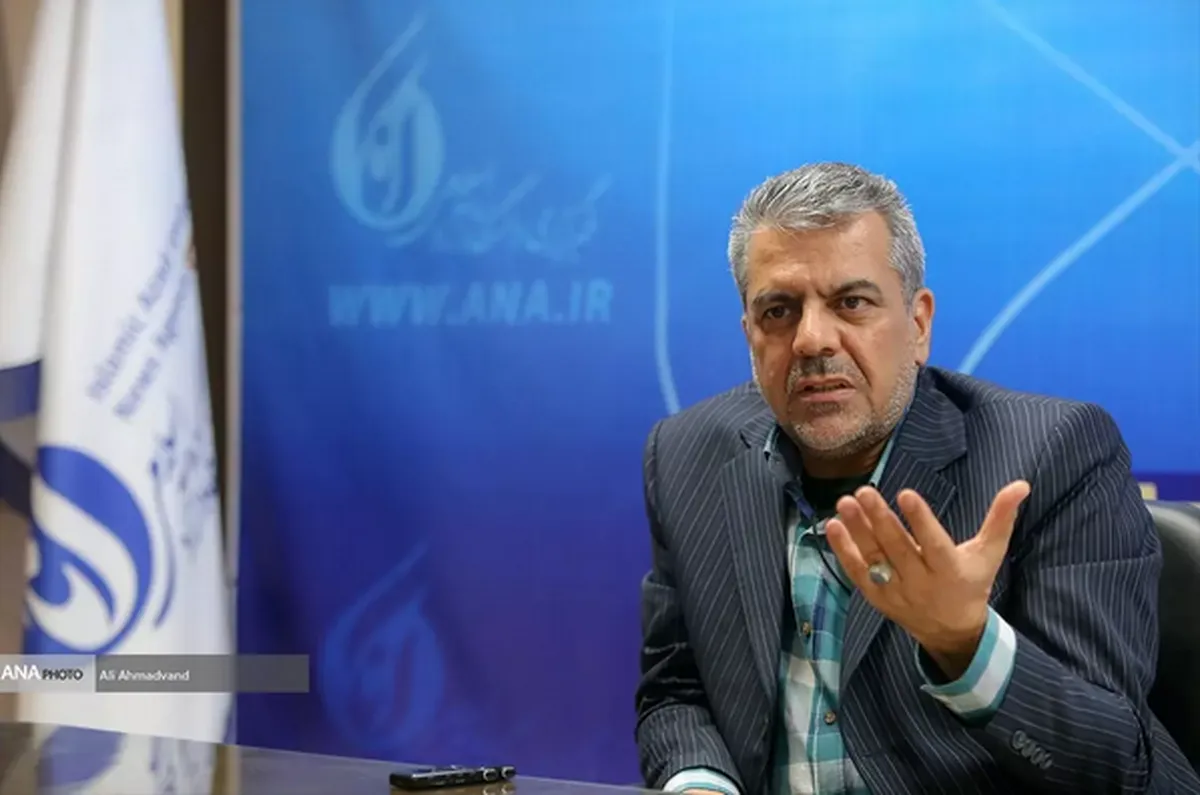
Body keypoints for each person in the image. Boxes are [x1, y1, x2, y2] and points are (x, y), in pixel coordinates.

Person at [633, 162, 1199, 794]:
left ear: (919, 323)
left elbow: (1117, 763)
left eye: (851, 303)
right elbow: (677, 691)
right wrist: (700, 783)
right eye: (779, 311)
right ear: (749, 334)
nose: (811, 340)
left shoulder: (1052, 454)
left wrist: (966, 645)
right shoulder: (687, 455)